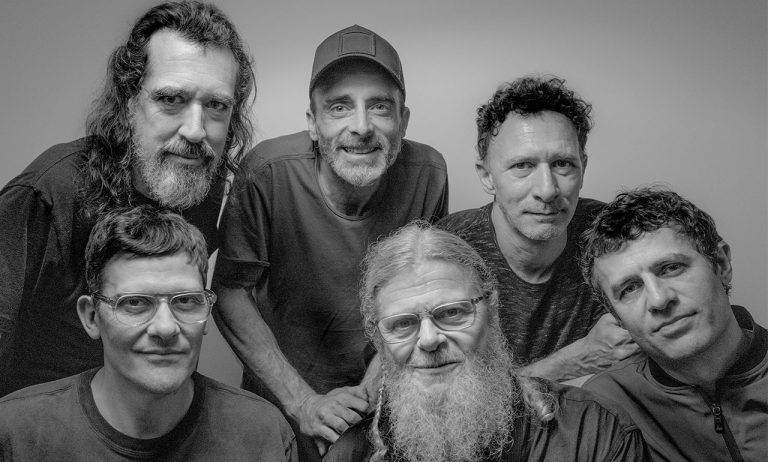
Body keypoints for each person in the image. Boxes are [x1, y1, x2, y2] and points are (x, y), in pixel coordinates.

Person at [213, 24, 448, 459]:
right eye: (339, 107)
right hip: (283, 397)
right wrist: (303, 402)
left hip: (388, 394)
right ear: (312, 122)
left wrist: (367, 396)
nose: (361, 126)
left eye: (379, 106)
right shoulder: (266, 173)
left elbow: (420, 296)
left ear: (403, 121)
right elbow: (229, 292)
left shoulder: (428, 173)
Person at [0, 0, 255, 397]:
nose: (195, 130)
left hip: (156, 416)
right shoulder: (50, 193)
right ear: (129, 101)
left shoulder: (200, 177)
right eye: (170, 99)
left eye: (216, 106)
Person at [323, 222, 648, 461]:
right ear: (377, 336)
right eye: (403, 324)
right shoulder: (351, 454)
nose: (429, 340)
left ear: (491, 309)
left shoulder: (594, 432)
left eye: (451, 313)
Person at [0, 206, 295, 461]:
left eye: (186, 301)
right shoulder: (16, 434)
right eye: (135, 303)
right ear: (92, 317)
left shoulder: (262, 435)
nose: (165, 328)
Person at [438, 75, 637, 382]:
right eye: (522, 166)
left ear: (583, 168)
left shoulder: (613, 234)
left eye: (563, 164)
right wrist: (569, 363)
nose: (547, 190)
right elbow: (443, 391)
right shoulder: (447, 249)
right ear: (487, 176)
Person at [581, 187, 768, 461]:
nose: (659, 299)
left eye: (671, 268)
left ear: (721, 264)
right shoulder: (604, 407)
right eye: (630, 288)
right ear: (616, 316)